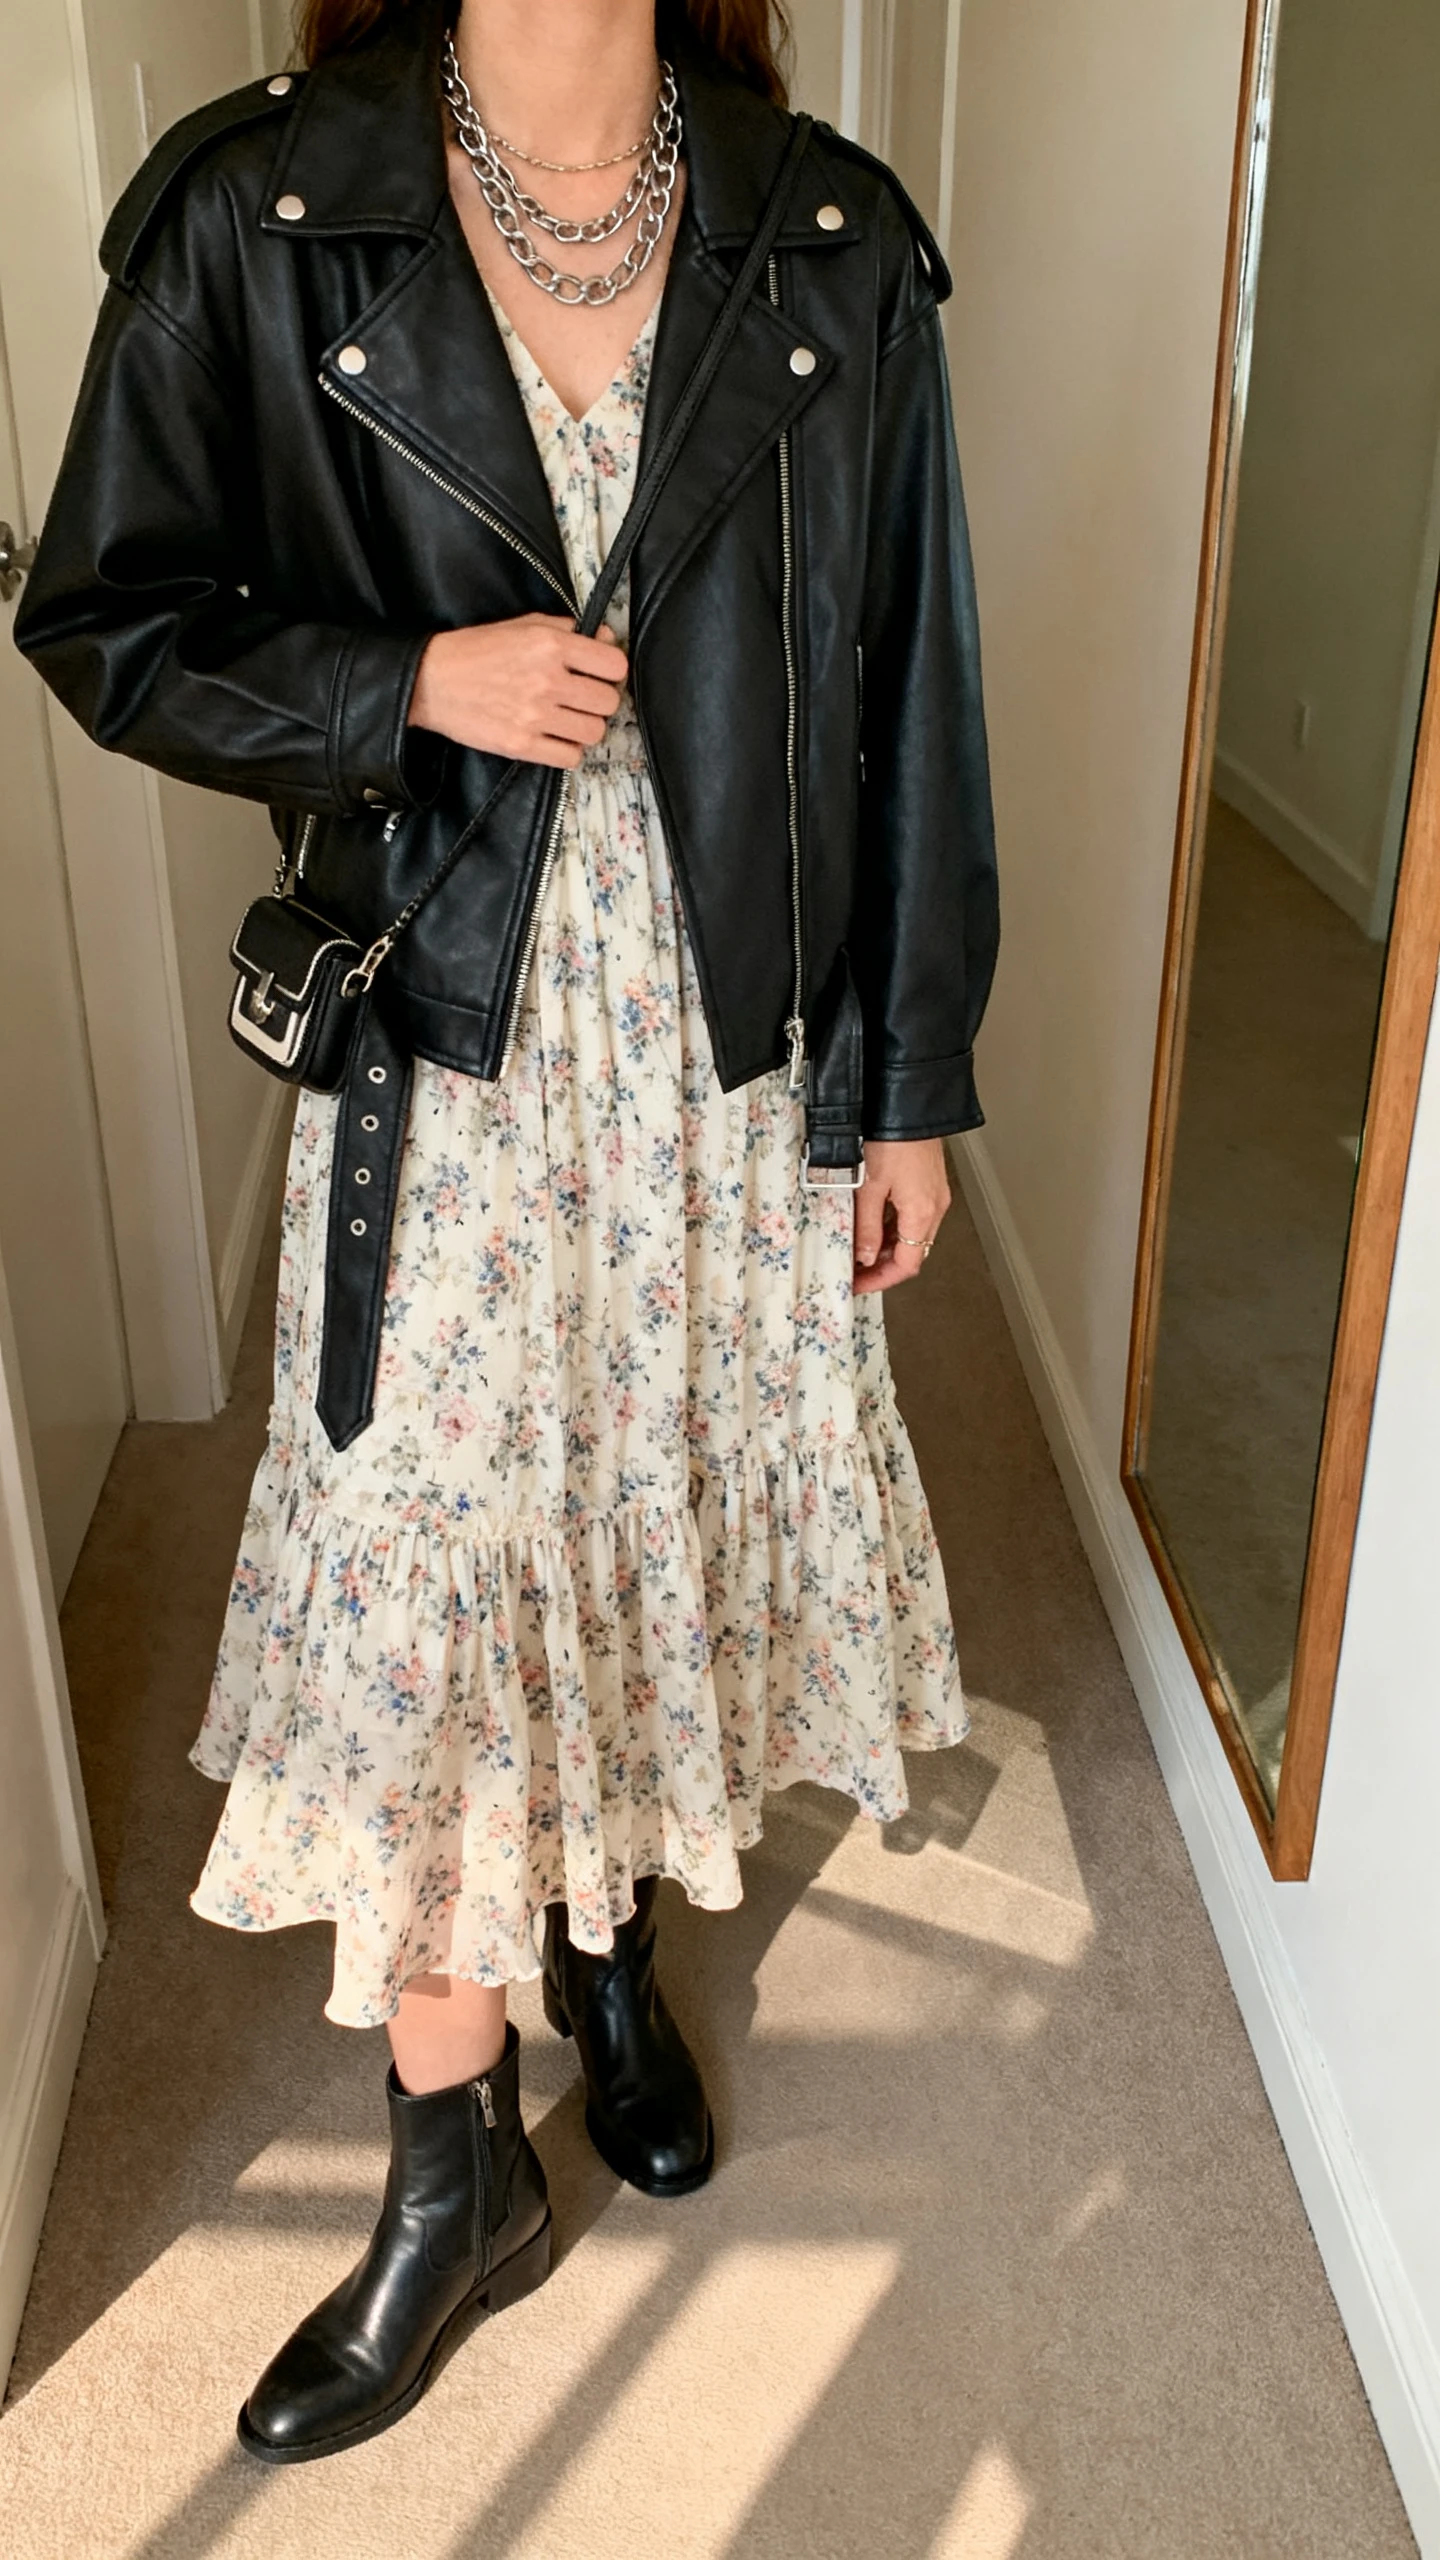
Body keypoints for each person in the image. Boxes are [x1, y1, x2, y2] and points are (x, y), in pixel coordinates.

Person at [16, 0, 997, 2466]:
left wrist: (912, 1084)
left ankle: (617, 1936)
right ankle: (454, 2177)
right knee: (439, 1566)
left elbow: (910, 694)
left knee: (649, 1504)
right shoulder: (261, 206)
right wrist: (403, 682)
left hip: (732, 1058)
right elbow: (108, 618)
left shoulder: (832, 231)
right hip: (447, 1051)